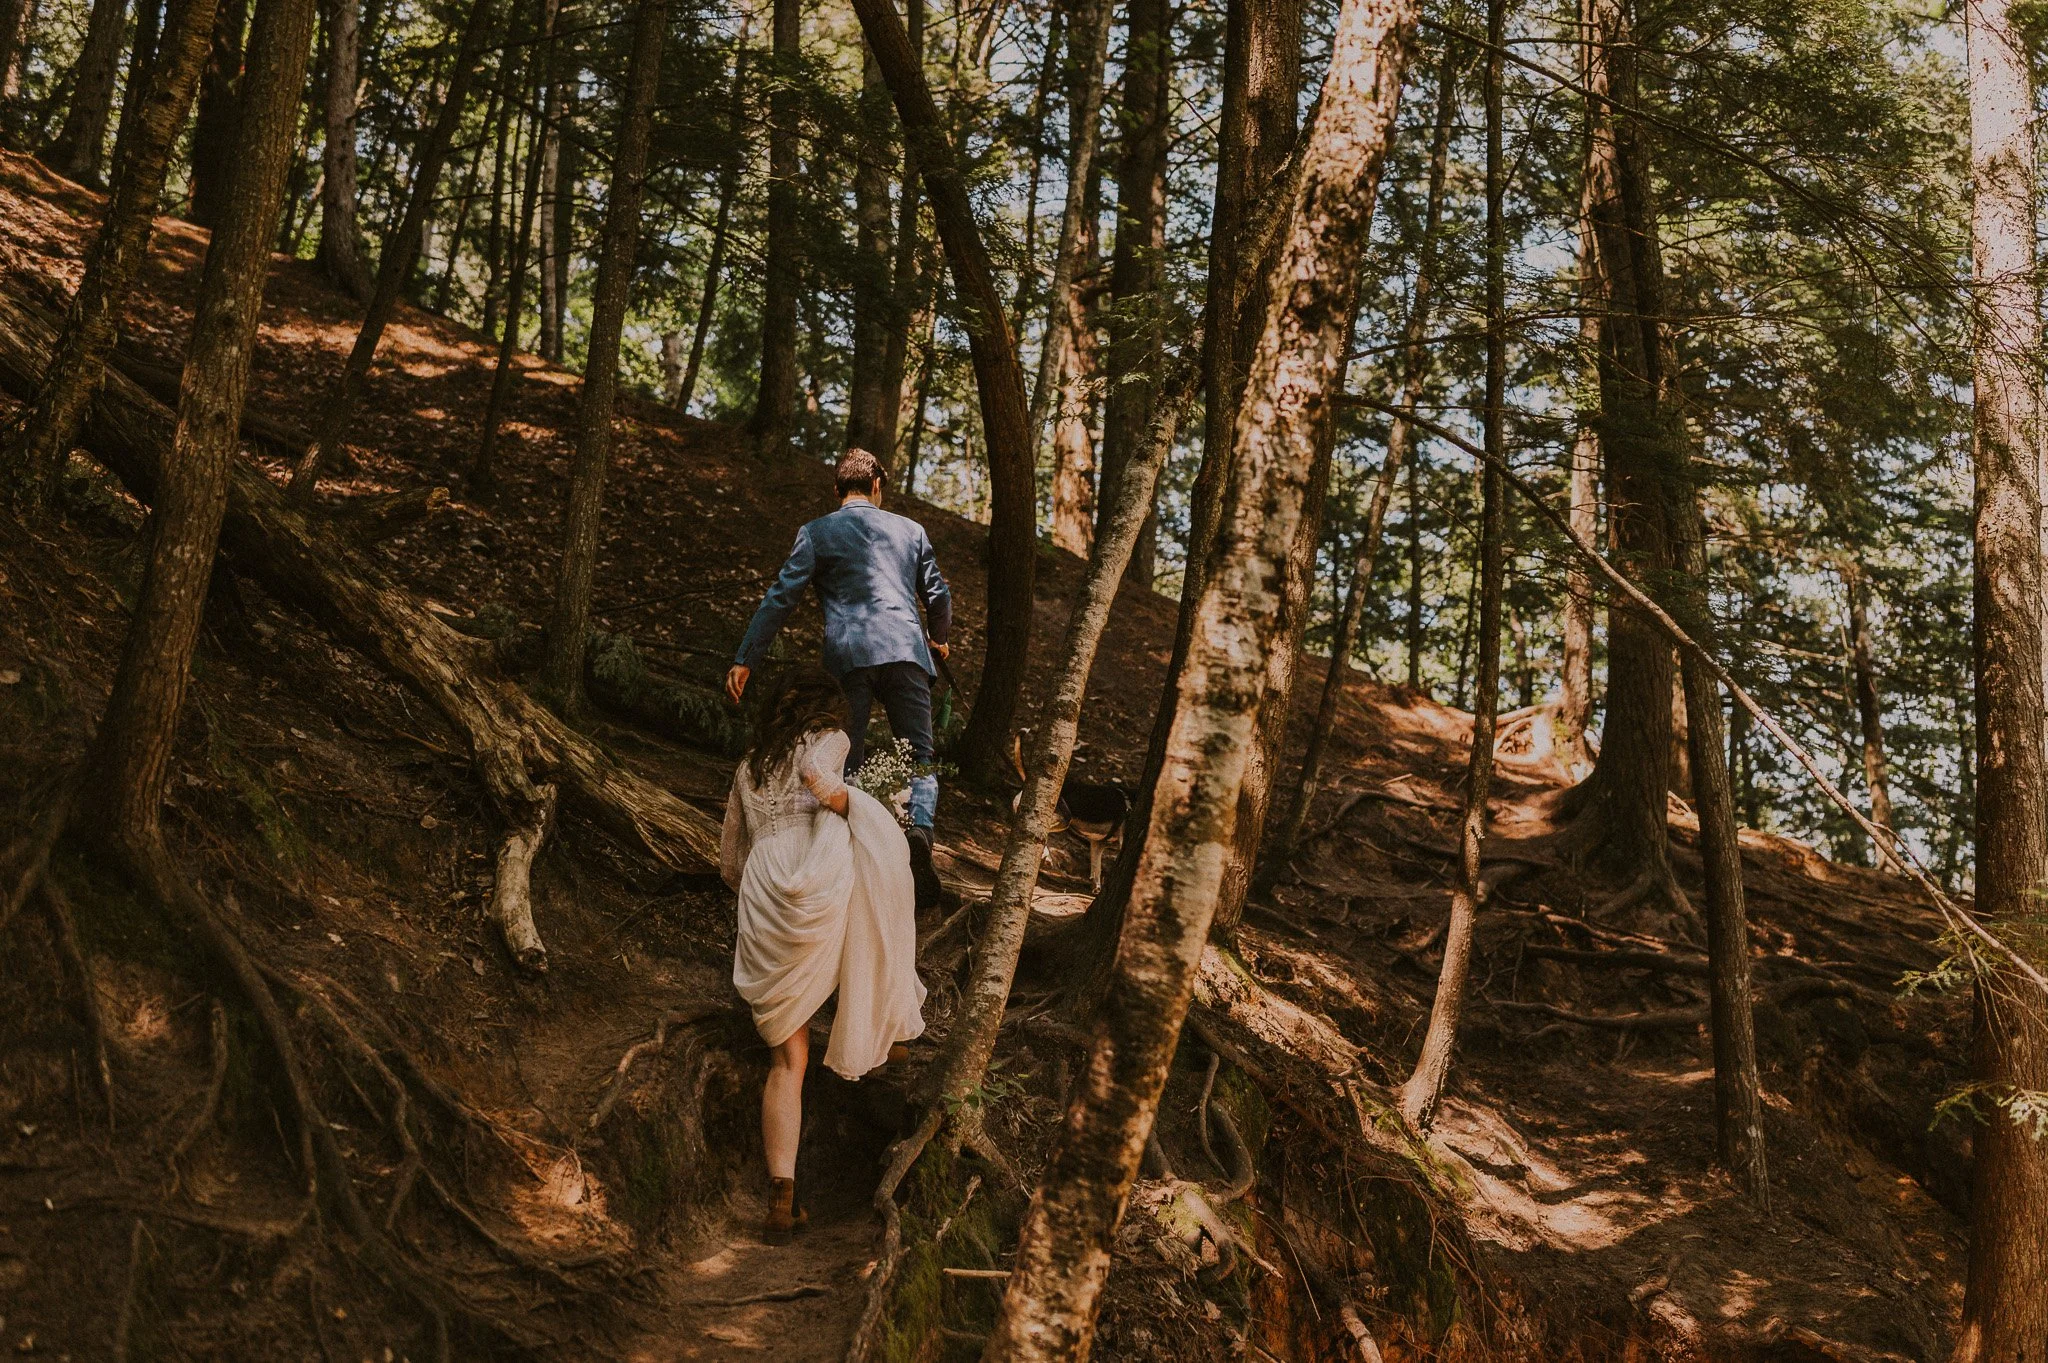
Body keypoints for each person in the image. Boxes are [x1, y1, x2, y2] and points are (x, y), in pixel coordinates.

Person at [719, 672, 927, 1242]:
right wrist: (859, 810)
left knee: (788, 1061)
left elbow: (730, 864)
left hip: (763, 885)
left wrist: (768, 883)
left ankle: (781, 1201)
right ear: (827, 712)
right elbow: (817, 779)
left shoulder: (746, 767)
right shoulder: (828, 738)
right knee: (869, 864)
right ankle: (889, 1030)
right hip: (809, 870)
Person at [726, 448, 951, 910]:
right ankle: (921, 833)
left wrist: (747, 657)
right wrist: (939, 638)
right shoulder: (912, 531)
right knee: (921, 755)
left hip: (849, 657)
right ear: (877, 487)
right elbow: (939, 594)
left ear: (836, 491)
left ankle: (850, 850)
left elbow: (780, 598)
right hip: (907, 652)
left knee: (847, 753)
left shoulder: (816, 532)